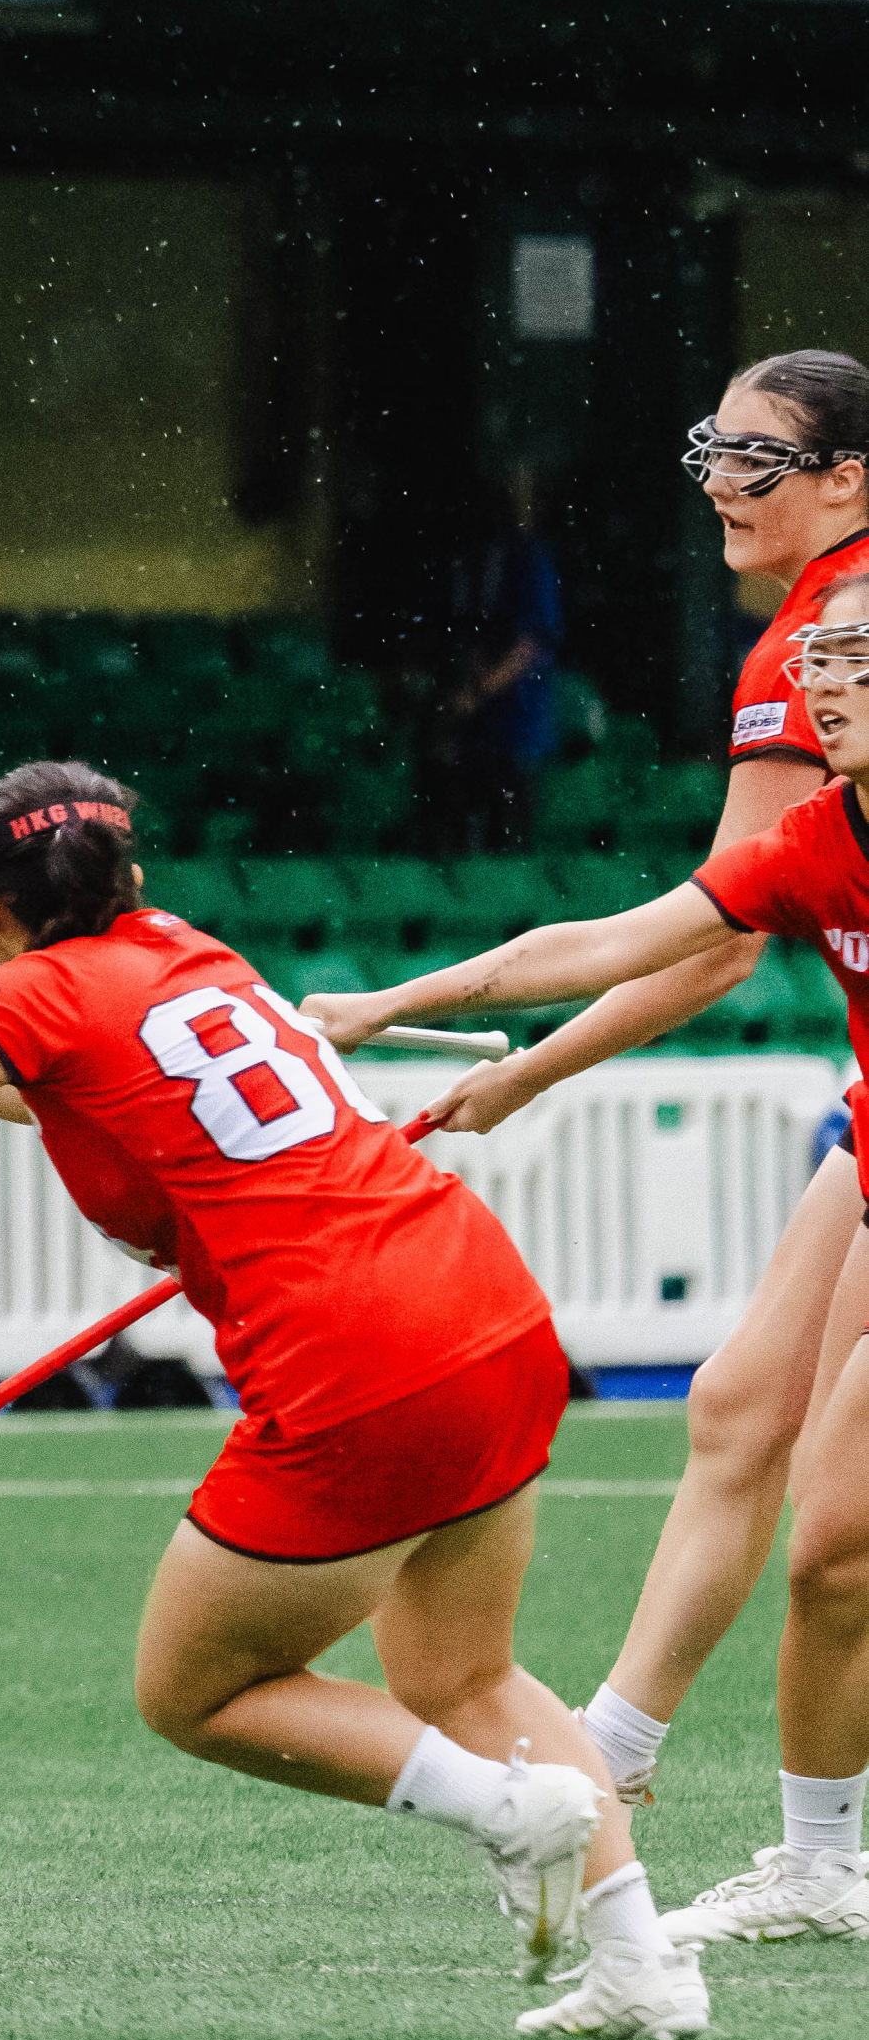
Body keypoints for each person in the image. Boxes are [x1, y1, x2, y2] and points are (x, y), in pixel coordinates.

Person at [0, 761, 704, 2040]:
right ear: (130, 879)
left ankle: (506, 1810)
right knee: (464, 1667)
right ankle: (640, 1961)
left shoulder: (30, 992)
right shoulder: (180, 949)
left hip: (351, 1358)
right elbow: (51, 1079)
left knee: (196, 1691)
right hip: (485, 1305)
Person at [307, 558, 869, 1955]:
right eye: (819, 658)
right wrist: (393, 999)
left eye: (857, 656)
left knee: (838, 1527)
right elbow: (612, 939)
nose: (819, 677)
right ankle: (812, 1857)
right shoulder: (817, 838)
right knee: (834, 1545)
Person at [409, 351, 869, 1823]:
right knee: (743, 1405)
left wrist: (525, 1075)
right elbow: (681, 924)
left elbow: (709, 951)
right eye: (712, 452)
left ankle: (783, 1830)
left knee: (837, 1525)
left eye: (756, 459)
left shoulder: (820, 640)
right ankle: (617, 1748)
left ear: (845, 480)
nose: (719, 485)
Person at [440, 465, 564, 852]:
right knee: (462, 835)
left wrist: (476, 693)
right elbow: (463, 632)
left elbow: (531, 644)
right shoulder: (466, 560)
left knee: (511, 838)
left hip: (518, 723)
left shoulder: (529, 558)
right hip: (474, 729)